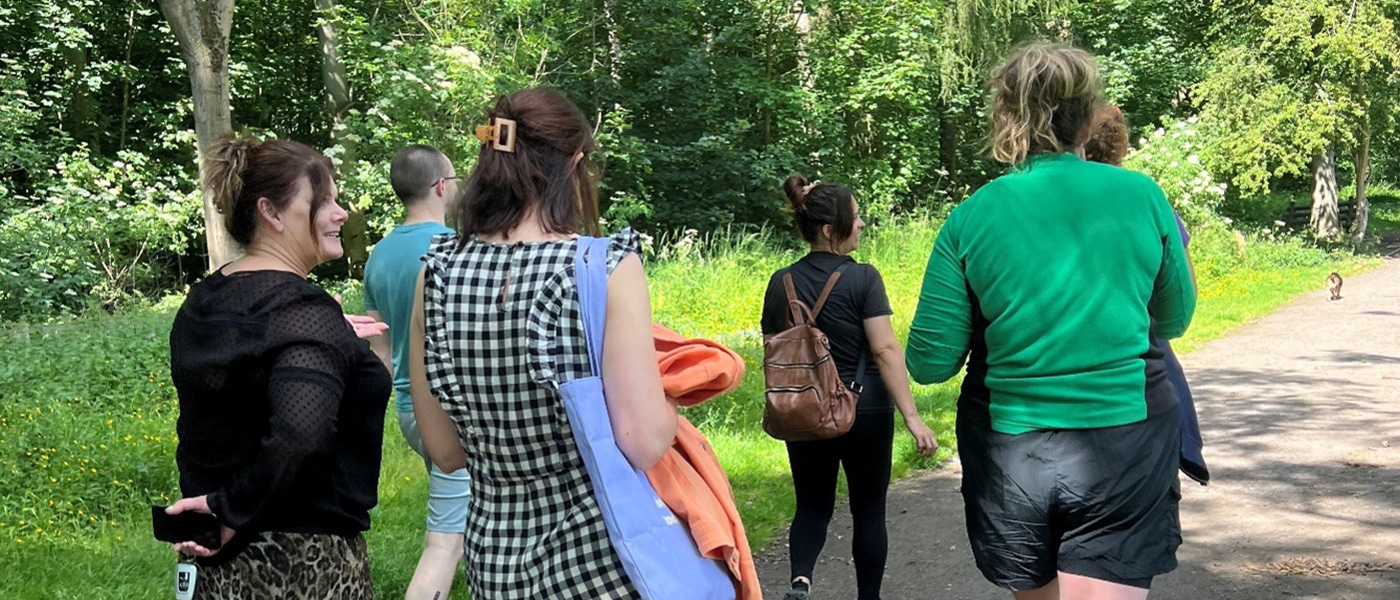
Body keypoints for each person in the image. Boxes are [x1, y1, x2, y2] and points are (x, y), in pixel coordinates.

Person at [906, 42, 1196, 600]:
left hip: (1012, 450)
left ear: (1008, 118)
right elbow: (1175, 318)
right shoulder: (1142, 195)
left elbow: (931, 362)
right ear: (1088, 118)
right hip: (1128, 439)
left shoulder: (971, 216)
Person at [405, 87, 678, 600]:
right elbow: (642, 441)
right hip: (600, 564)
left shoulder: (435, 275)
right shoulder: (604, 267)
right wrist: (675, 393)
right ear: (574, 163)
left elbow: (445, 451)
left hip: (495, 565)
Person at [165, 136, 392, 599]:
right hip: (299, 562)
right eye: (323, 201)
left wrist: (329, 335)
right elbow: (299, 433)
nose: (341, 213)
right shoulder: (298, 311)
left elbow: (238, 388)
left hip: (215, 560)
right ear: (271, 213)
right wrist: (231, 509)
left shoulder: (206, 299)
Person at [760, 175, 939, 600]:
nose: (861, 224)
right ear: (829, 229)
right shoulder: (863, 278)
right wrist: (913, 418)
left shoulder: (780, 281)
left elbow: (774, 348)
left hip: (805, 408)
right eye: (855, 218)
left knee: (811, 506)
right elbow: (885, 350)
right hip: (865, 408)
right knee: (869, 510)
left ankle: (800, 581)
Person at [363, 144, 472, 600]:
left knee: (469, 519)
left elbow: (381, 350)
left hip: (412, 413)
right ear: (442, 186)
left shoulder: (378, 256)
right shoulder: (455, 249)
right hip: (452, 415)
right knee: (444, 544)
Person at [1083, 106, 1209, 485]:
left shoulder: (1039, 202)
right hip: (1139, 366)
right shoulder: (1147, 198)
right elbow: (1181, 304)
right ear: (1119, 146)